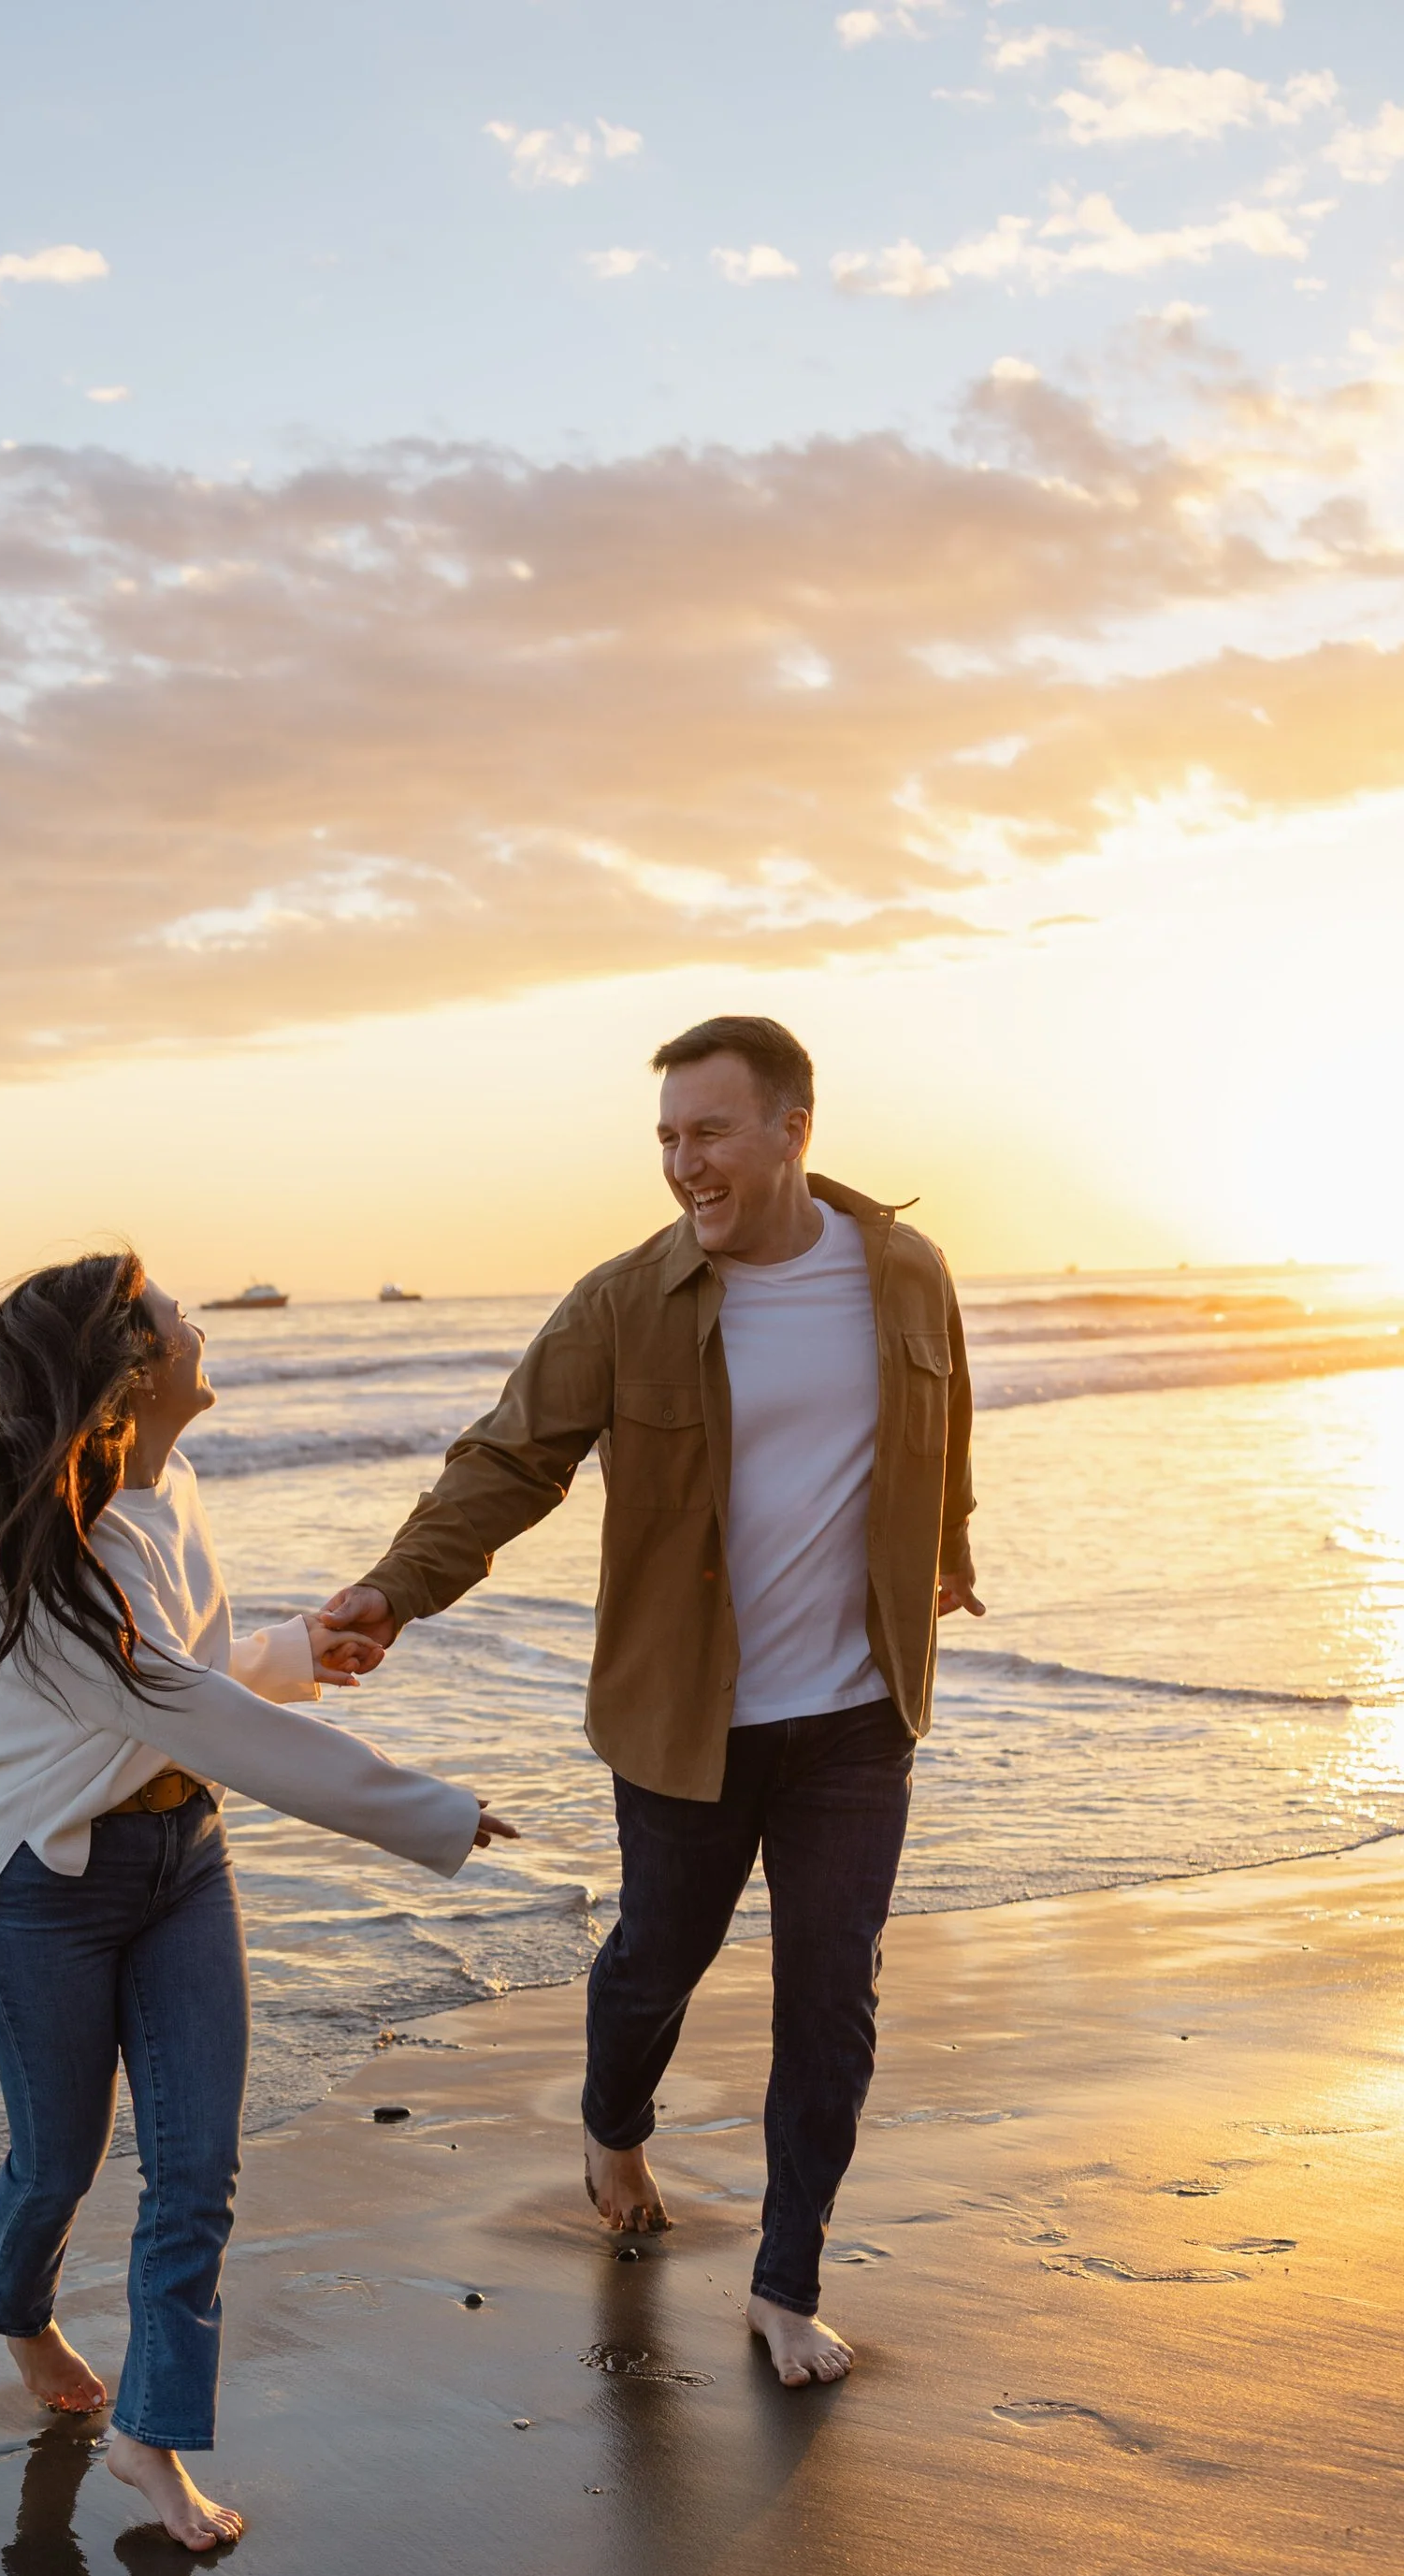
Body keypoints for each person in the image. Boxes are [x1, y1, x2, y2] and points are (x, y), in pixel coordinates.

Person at [323, 1015, 980, 2391]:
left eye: (710, 1132)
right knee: (654, 1962)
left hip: (858, 1716)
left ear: (794, 1128)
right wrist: (397, 1589)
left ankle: (787, 2282)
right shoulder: (625, 1302)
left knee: (832, 1993)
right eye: (669, 1138)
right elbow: (511, 1457)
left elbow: (939, 1427)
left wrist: (952, 1554)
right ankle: (612, 2122)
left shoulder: (905, 1273)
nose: (685, 1163)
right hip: (688, 1715)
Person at [0, 1252, 512, 2551]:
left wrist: (292, 1651)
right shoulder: (62, 1558)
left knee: (196, 2168)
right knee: (60, 2157)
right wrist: (428, 1810)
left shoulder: (166, 1487)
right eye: (175, 1313)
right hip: (34, 1893)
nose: (200, 1321)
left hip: (179, 1864)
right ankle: (17, 2305)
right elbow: (190, 1709)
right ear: (128, 1370)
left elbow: (191, 1671)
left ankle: (151, 2438)